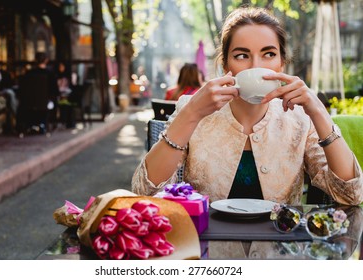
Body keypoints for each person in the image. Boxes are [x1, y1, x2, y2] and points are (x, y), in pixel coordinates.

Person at [132, 7, 363, 205]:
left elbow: (352, 194)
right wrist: (191, 113)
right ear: (225, 64)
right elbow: (145, 193)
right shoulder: (194, 109)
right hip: (208, 250)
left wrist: (318, 111)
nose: (256, 66)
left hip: (278, 251)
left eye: (268, 54)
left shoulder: (301, 118)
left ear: (281, 63)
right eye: (242, 56)